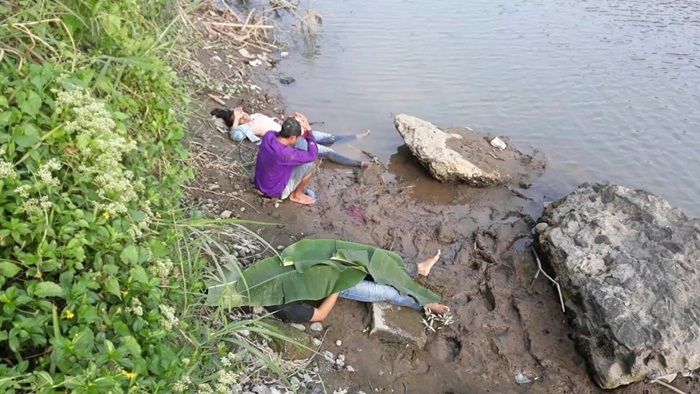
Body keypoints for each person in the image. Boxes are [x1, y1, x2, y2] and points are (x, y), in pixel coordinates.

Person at [268, 250, 450, 323]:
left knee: (377, 266)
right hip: (333, 286)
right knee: (389, 292)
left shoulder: (272, 274)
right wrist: (337, 286)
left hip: (329, 268)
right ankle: (423, 304)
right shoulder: (285, 307)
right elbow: (321, 315)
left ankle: (419, 268)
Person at [211, 107, 370, 168]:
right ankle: (358, 163)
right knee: (327, 151)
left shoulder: (254, 116)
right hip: (289, 139)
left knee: (329, 137)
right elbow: (235, 136)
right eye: (240, 117)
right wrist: (237, 121)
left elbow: (273, 123)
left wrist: (288, 119)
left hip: (292, 129)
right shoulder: (245, 127)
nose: (244, 115)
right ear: (238, 122)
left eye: (242, 113)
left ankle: (354, 137)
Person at [254, 117, 319, 205]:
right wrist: (310, 132)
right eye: (296, 138)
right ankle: (296, 195)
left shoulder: (268, 136)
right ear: (292, 137)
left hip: (259, 183)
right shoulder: (287, 154)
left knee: (301, 144)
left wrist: (290, 123)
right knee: (310, 164)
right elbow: (313, 155)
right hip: (274, 191)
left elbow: (277, 134)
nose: (297, 139)